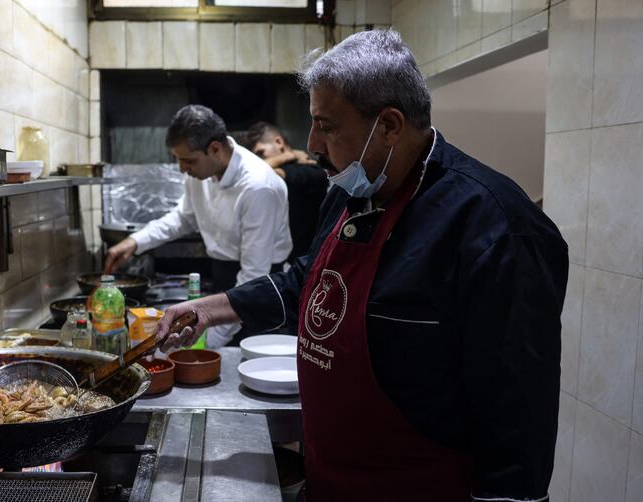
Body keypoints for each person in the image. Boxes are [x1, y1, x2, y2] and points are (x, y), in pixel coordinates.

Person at [156, 29, 568, 502]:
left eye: (327, 126)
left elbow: (517, 426)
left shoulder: (497, 229)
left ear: (390, 125)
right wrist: (217, 306)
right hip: (331, 481)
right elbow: (313, 280)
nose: (313, 144)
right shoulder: (354, 190)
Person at [105, 104, 292, 348]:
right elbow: (183, 218)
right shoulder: (200, 174)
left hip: (261, 292)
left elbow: (253, 275)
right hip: (224, 279)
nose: (182, 169)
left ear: (215, 149)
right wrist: (135, 241)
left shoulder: (258, 186)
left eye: (188, 161)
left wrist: (209, 340)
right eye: (179, 160)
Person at [247, 122, 329, 261]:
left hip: (310, 259)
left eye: (261, 153)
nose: (260, 159)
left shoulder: (311, 169)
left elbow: (253, 172)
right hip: (282, 258)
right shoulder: (276, 169)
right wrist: (288, 155)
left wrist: (287, 157)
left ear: (279, 142)